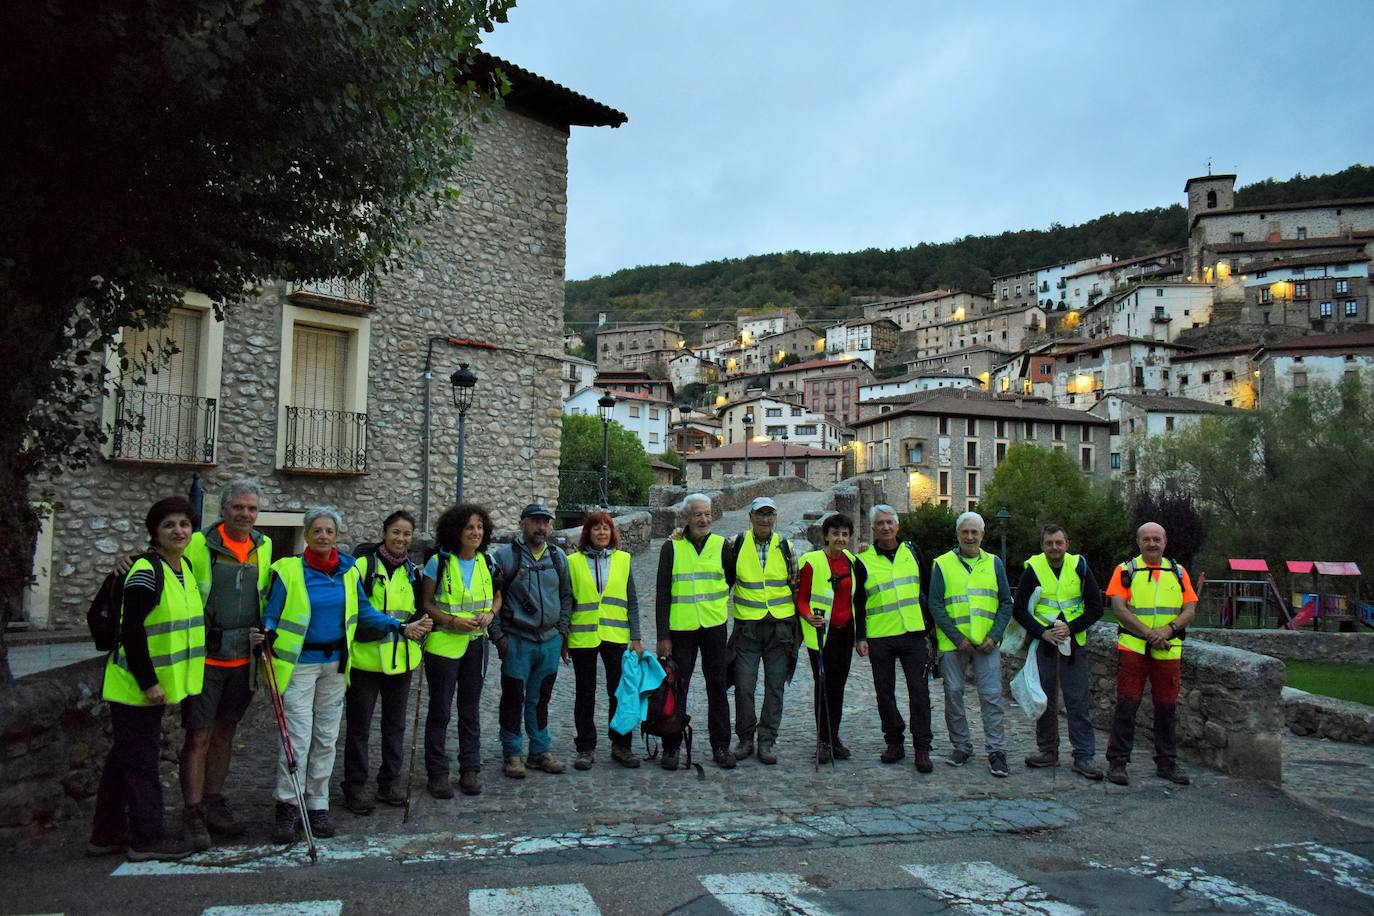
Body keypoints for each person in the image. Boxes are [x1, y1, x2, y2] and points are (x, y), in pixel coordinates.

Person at [115, 479, 271, 849]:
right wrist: (128, 560)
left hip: (241, 659)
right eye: (238, 507)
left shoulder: (263, 547)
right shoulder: (199, 543)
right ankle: (193, 811)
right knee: (198, 735)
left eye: (251, 509)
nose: (245, 515)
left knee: (225, 733)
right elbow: (164, 562)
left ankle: (215, 803)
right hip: (204, 658)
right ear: (224, 510)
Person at [262, 506, 431, 844]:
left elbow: (364, 611)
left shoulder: (349, 571)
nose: (324, 536)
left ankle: (317, 803)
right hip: (299, 664)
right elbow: (271, 614)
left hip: (337, 663)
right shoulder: (288, 570)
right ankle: (287, 803)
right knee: (297, 736)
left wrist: (399, 626)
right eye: (317, 531)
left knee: (326, 736)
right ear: (307, 534)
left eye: (329, 531)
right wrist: (263, 634)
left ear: (337, 536)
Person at [90, 496, 205, 862]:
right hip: (135, 685)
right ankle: (146, 839)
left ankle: (105, 835)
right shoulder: (145, 570)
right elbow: (132, 631)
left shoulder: (182, 566)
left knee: (123, 759)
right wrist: (148, 682)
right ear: (155, 531)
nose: (178, 530)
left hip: (153, 685)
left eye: (184, 524)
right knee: (141, 764)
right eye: (169, 524)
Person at [342, 510, 425, 814]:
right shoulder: (362, 567)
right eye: (396, 532)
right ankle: (354, 787)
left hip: (401, 662)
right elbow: (355, 611)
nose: (401, 539)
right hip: (365, 661)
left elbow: (416, 612)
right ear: (385, 532)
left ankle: (389, 782)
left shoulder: (413, 573)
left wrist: (422, 625)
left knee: (395, 727)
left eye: (406, 534)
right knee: (359, 728)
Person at [1104, 522, 1198, 787]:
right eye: (1147, 539)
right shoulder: (1125, 571)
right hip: (1134, 646)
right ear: (1139, 542)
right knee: (1126, 704)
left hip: (1168, 648)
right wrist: (1150, 633)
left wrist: (1168, 630)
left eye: (1157, 539)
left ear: (1165, 542)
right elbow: (1119, 608)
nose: (1152, 543)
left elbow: (1189, 609)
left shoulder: (1178, 572)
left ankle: (1167, 762)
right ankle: (1118, 762)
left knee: (1167, 707)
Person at [1011, 524, 1106, 780]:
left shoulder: (1079, 567)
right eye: (1049, 543)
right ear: (1043, 546)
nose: (1054, 548)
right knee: (1045, 701)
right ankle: (1048, 751)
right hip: (1044, 643)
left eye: (1058, 543)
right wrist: (1042, 632)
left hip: (1073, 644)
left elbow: (1096, 606)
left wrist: (1071, 628)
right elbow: (1018, 609)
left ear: (1067, 544)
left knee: (1077, 701)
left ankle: (1084, 756)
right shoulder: (1033, 570)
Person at [421, 504, 499, 798]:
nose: (475, 532)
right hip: (443, 645)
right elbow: (427, 603)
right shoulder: (438, 563)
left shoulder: (487, 562)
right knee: (440, 710)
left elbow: (498, 596)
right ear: (456, 531)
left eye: (479, 527)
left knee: (470, 710)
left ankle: (470, 769)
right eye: (469, 527)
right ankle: (438, 773)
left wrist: (491, 614)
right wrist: (452, 621)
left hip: (476, 645)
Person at [928, 511, 1014, 778]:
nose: (970, 536)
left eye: (974, 532)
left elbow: (1006, 602)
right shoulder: (942, 564)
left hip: (986, 643)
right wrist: (957, 638)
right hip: (954, 644)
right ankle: (961, 746)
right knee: (953, 695)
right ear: (957, 534)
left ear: (982, 535)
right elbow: (935, 604)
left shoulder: (994, 563)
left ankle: (996, 751)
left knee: (991, 697)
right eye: (965, 531)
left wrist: (995, 635)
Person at [490, 504, 572, 778]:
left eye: (545, 522)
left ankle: (539, 750)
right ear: (523, 523)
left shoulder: (557, 557)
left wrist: (562, 633)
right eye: (536, 521)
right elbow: (492, 599)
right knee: (513, 697)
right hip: (517, 640)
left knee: (541, 698)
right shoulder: (505, 557)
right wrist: (499, 637)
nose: (541, 528)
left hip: (548, 641)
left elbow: (565, 596)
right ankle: (512, 753)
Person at [655, 493, 734, 770]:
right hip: (681, 627)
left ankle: (721, 746)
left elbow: (730, 578)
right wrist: (663, 635)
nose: (704, 519)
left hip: (713, 625)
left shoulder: (722, 546)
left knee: (718, 686)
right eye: (698, 514)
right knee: (676, 688)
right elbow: (662, 593)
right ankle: (671, 746)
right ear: (686, 518)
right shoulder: (671, 548)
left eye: (707, 514)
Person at [856, 504, 935, 773]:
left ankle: (922, 747)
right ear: (874, 528)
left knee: (920, 693)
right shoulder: (864, 561)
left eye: (890, 522)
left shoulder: (912, 552)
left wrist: (931, 628)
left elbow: (928, 588)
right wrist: (860, 636)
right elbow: (859, 601)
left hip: (913, 634)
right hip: (881, 636)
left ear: (898, 526)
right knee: (885, 694)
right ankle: (894, 742)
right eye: (881, 524)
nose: (886, 527)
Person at [568, 512, 644, 770]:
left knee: (619, 692)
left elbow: (631, 600)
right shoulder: (573, 562)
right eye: (596, 528)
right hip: (583, 636)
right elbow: (568, 601)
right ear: (587, 533)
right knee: (585, 693)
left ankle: (621, 745)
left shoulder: (623, 560)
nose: (602, 533)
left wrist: (636, 636)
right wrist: (563, 637)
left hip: (615, 635)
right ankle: (585, 747)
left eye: (606, 528)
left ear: (612, 533)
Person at [731, 496, 798, 766]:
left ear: (775, 518)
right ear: (751, 517)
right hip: (747, 627)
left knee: (774, 688)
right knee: (744, 687)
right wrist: (679, 535)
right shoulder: (734, 544)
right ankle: (746, 738)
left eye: (770, 514)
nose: (765, 519)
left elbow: (794, 585)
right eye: (760, 514)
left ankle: (767, 739)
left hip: (779, 628)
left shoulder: (786, 547)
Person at [796, 512, 866, 764]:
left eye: (845, 534)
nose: (840, 538)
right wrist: (807, 616)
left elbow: (858, 600)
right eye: (835, 533)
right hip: (820, 634)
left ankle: (833, 737)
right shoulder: (812, 562)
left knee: (838, 687)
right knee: (823, 685)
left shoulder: (852, 562)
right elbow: (801, 598)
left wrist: (860, 637)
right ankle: (823, 741)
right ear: (826, 535)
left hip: (844, 633)